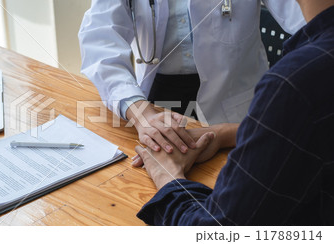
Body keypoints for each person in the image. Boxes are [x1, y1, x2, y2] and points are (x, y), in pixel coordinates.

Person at [133, 0, 334, 225]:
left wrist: (167, 177)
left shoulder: (294, 84)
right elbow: (100, 39)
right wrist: (226, 134)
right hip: (162, 100)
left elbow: (218, 230)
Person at [78, 0, 305, 156]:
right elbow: (100, 39)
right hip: (155, 104)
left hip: (236, 102)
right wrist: (139, 111)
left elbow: (312, 21)